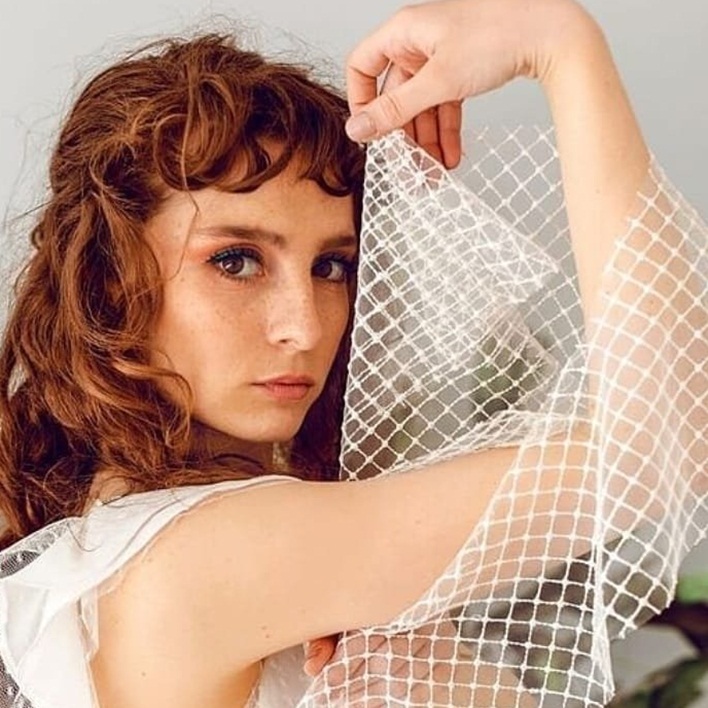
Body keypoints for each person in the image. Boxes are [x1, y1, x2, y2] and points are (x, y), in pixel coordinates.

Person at [0, 0, 703, 706]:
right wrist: (562, 45)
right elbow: (667, 438)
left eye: (331, 266)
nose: (304, 327)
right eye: (236, 261)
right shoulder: (208, 549)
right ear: (112, 278)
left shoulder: (128, 542)